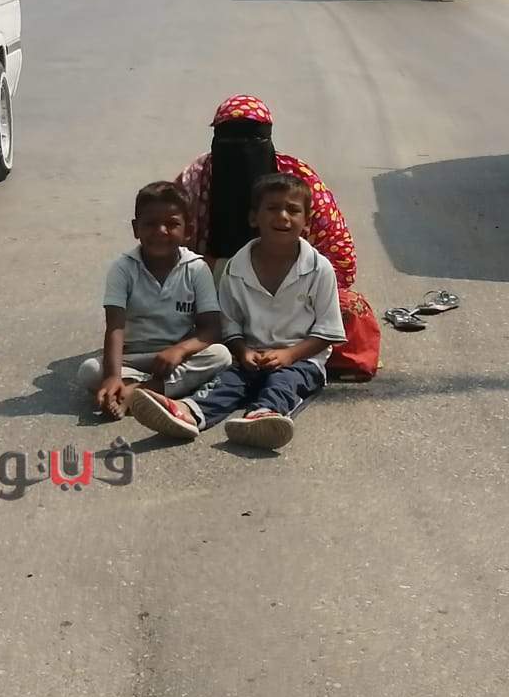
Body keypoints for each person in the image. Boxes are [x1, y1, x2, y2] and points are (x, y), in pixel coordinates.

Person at [128, 173, 346, 449]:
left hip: (301, 360)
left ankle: (264, 416)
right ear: (254, 218)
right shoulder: (236, 267)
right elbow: (229, 324)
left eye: (292, 210)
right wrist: (243, 351)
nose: (282, 216)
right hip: (250, 358)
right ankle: (188, 412)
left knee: (284, 383)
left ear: (306, 220)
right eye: (272, 208)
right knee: (226, 382)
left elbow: (328, 331)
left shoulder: (319, 268)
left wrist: (289, 354)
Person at [77, 181, 232, 419]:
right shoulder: (123, 268)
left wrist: (179, 350)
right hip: (133, 357)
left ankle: (139, 392)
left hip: (175, 357)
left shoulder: (196, 268)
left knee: (221, 355)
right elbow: (115, 326)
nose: (160, 231)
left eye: (172, 224)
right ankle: (136, 387)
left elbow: (211, 330)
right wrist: (112, 376)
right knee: (89, 371)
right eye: (150, 224)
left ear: (188, 230)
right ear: (135, 228)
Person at [175, 94, 357, 289]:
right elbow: (169, 245)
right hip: (211, 284)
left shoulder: (296, 178)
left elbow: (341, 259)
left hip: (292, 288)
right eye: (230, 139)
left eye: (253, 138)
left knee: (352, 304)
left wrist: (293, 285)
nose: (242, 151)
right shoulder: (196, 178)